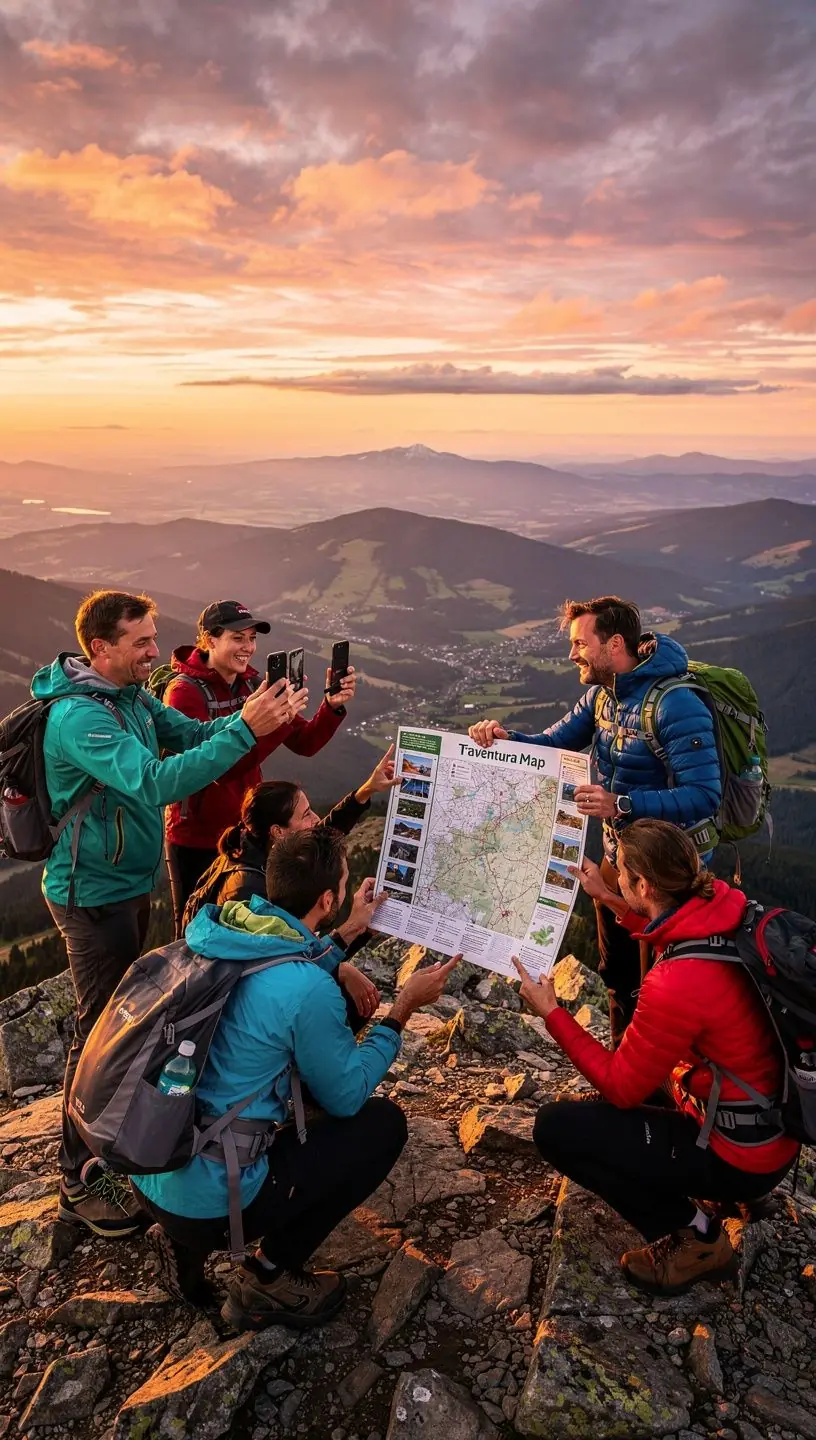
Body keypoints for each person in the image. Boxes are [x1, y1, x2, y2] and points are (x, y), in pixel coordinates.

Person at [34, 589, 300, 1238]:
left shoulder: (128, 696)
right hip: (89, 894)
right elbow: (155, 783)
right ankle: (77, 1183)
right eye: (142, 642)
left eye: (154, 638)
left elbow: (196, 736)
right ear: (102, 648)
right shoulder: (80, 718)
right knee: (100, 1027)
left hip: (125, 883)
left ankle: (115, 1143)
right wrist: (245, 729)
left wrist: (254, 717)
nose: (157, 651)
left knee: (125, 1023)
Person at [134, 826, 459, 1329]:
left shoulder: (222, 928)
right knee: (382, 1125)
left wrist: (350, 932)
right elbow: (348, 1095)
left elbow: (280, 961)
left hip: (150, 1162)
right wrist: (401, 1012)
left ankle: (179, 1244)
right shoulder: (307, 990)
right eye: (345, 884)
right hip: (216, 1205)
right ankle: (268, 1276)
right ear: (327, 898)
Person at [514, 819, 798, 1296]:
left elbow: (621, 1086)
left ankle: (698, 1237)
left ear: (644, 884)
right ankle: (728, 1197)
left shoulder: (676, 982)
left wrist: (552, 1013)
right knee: (635, 1084)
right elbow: (673, 925)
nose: (616, 875)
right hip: (770, 1128)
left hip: (739, 1157)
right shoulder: (724, 906)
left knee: (558, 1129)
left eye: (621, 872)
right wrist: (608, 898)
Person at [469, 596, 721, 1046]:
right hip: (619, 859)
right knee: (618, 973)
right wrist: (506, 740)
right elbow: (554, 743)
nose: (572, 655)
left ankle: (667, 1096)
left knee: (662, 986)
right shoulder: (602, 697)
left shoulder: (675, 704)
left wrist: (620, 804)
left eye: (580, 644)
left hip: (669, 873)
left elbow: (705, 796)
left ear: (614, 644)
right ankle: (622, 1079)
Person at [163, 601, 356, 931]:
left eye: (252, 639)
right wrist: (275, 722)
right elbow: (220, 772)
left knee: (250, 926)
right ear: (209, 639)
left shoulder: (254, 686)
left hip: (247, 835)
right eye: (238, 638)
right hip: (197, 836)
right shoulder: (184, 693)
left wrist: (331, 707)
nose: (248, 648)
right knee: (194, 926)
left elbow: (305, 743)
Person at [181, 742, 399, 927]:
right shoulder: (252, 893)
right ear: (277, 831)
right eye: (305, 815)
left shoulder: (252, 847)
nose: (315, 818)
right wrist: (354, 928)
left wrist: (368, 789)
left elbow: (321, 834)